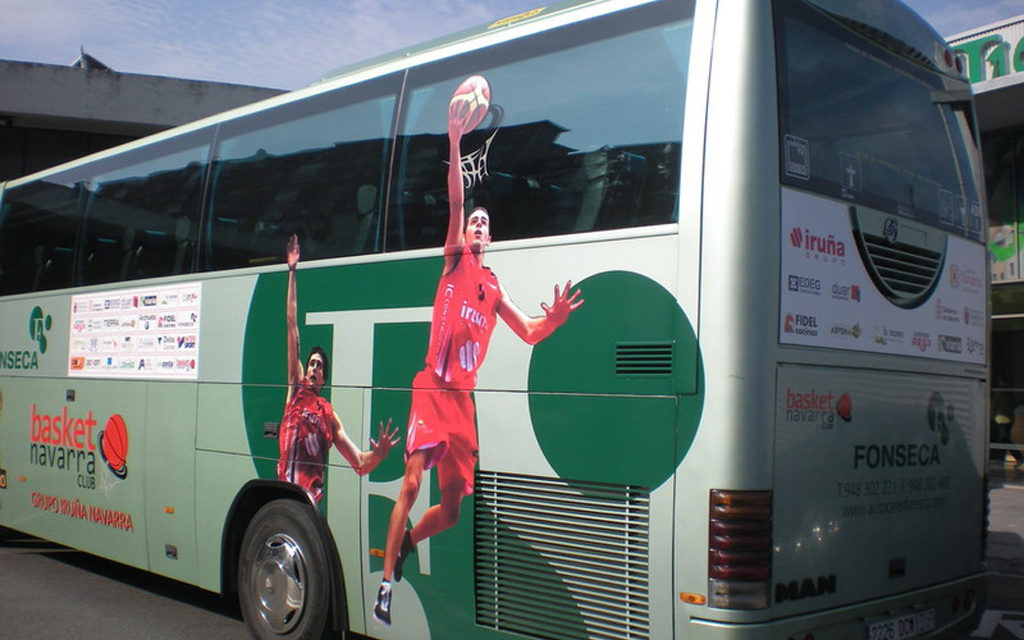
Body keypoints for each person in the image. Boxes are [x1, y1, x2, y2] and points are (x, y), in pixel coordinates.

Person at [372, 79, 584, 626]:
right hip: (432, 388)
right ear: (464, 232)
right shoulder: (454, 261)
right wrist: (452, 139)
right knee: (411, 484)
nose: (478, 224)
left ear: (491, 237)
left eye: (484, 223)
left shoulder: (493, 286)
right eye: (473, 221)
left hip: (462, 405)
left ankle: (406, 544)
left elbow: (529, 331)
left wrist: (555, 320)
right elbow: (456, 197)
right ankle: (386, 583)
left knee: (451, 510)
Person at [278, 234, 399, 502]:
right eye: (311, 363)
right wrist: (292, 272)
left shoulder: (329, 416)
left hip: (309, 502)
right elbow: (291, 323)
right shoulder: (295, 390)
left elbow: (360, 464)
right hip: (285, 496)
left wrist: (379, 454)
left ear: (324, 378)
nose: (313, 368)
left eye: (319, 366)